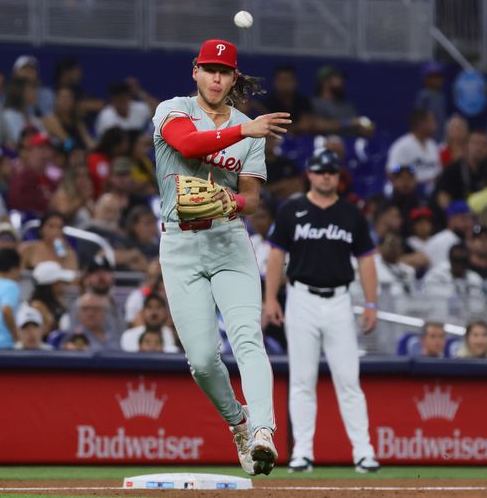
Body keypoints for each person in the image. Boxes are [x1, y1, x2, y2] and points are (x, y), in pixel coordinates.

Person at [153, 39, 291, 476]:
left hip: (229, 241)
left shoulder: (250, 130)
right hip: (180, 244)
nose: (216, 77)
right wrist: (242, 131)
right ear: (195, 70)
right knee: (202, 360)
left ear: (234, 77)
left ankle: (264, 432)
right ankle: (240, 421)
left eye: (224, 71)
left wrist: (230, 202)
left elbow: (252, 198)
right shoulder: (171, 109)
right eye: (209, 69)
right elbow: (188, 145)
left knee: (248, 336)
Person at [263, 149, 380, 475]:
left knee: (348, 379)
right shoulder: (292, 210)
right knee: (302, 379)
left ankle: (364, 452)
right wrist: (270, 298)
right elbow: (276, 256)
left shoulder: (351, 214)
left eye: (331, 171)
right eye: (320, 171)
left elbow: (367, 260)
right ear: (310, 174)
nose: (326, 176)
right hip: (301, 298)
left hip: (340, 300)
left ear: (337, 177)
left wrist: (371, 303)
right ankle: (302, 452)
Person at [386, 109, 440, 194]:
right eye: (431, 121)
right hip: (408, 193)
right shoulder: (402, 145)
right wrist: (409, 170)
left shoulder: (433, 145)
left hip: (431, 193)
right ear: (421, 123)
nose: (435, 124)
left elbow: (438, 171)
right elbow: (392, 170)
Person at [29, 260, 74, 333]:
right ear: (52, 285)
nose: (63, 286)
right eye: (60, 282)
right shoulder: (37, 306)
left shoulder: (57, 302)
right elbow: (46, 331)